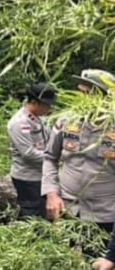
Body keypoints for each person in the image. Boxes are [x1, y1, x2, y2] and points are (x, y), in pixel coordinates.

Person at [42, 69, 115, 244]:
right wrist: (51, 193)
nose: (81, 97)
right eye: (80, 91)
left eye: (88, 93)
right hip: (67, 208)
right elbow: (50, 157)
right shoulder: (66, 121)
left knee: (97, 261)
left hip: (105, 213)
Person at [7, 81, 57, 219]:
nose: (48, 108)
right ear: (35, 102)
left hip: (41, 174)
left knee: (43, 211)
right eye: (46, 105)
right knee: (31, 212)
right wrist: (54, 159)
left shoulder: (39, 118)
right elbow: (28, 153)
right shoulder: (20, 123)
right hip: (28, 177)